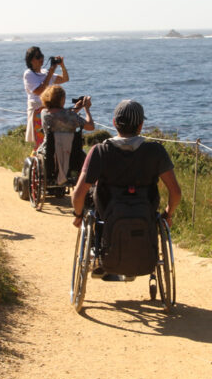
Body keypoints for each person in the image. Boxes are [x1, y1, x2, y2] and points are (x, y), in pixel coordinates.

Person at [71, 100, 182, 277]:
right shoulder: (156, 151)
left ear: (115, 123)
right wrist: (168, 214)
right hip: (145, 210)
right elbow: (175, 192)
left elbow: (78, 194)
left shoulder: (99, 151)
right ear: (141, 125)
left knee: (91, 197)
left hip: (107, 211)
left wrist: (78, 215)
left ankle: (99, 248)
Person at [40, 85, 94, 185]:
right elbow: (90, 126)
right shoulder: (71, 116)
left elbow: (61, 116)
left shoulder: (44, 113)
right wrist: (87, 109)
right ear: (62, 99)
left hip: (50, 151)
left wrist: (76, 108)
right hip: (72, 153)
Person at [23, 46, 68, 150]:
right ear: (31, 60)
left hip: (50, 111)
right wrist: (51, 71)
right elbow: (39, 91)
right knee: (40, 143)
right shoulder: (29, 74)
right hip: (37, 112)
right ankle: (35, 164)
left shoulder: (45, 73)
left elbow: (65, 78)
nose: (41, 59)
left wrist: (62, 66)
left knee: (52, 141)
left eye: (41, 56)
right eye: (37, 57)